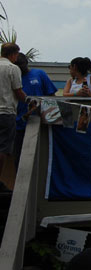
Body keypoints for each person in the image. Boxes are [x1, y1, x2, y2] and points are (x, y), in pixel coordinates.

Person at [13, 53, 57, 168]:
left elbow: (51, 95)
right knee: (18, 157)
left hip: (40, 122)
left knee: (41, 156)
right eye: (16, 65)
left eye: (21, 64)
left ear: (26, 63)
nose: (19, 68)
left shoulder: (39, 74)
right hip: (19, 124)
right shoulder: (14, 77)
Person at [0, 43, 26, 190]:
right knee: (3, 147)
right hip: (6, 112)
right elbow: (18, 91)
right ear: (13, 54)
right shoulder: (12, 68)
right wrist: (29, 100)